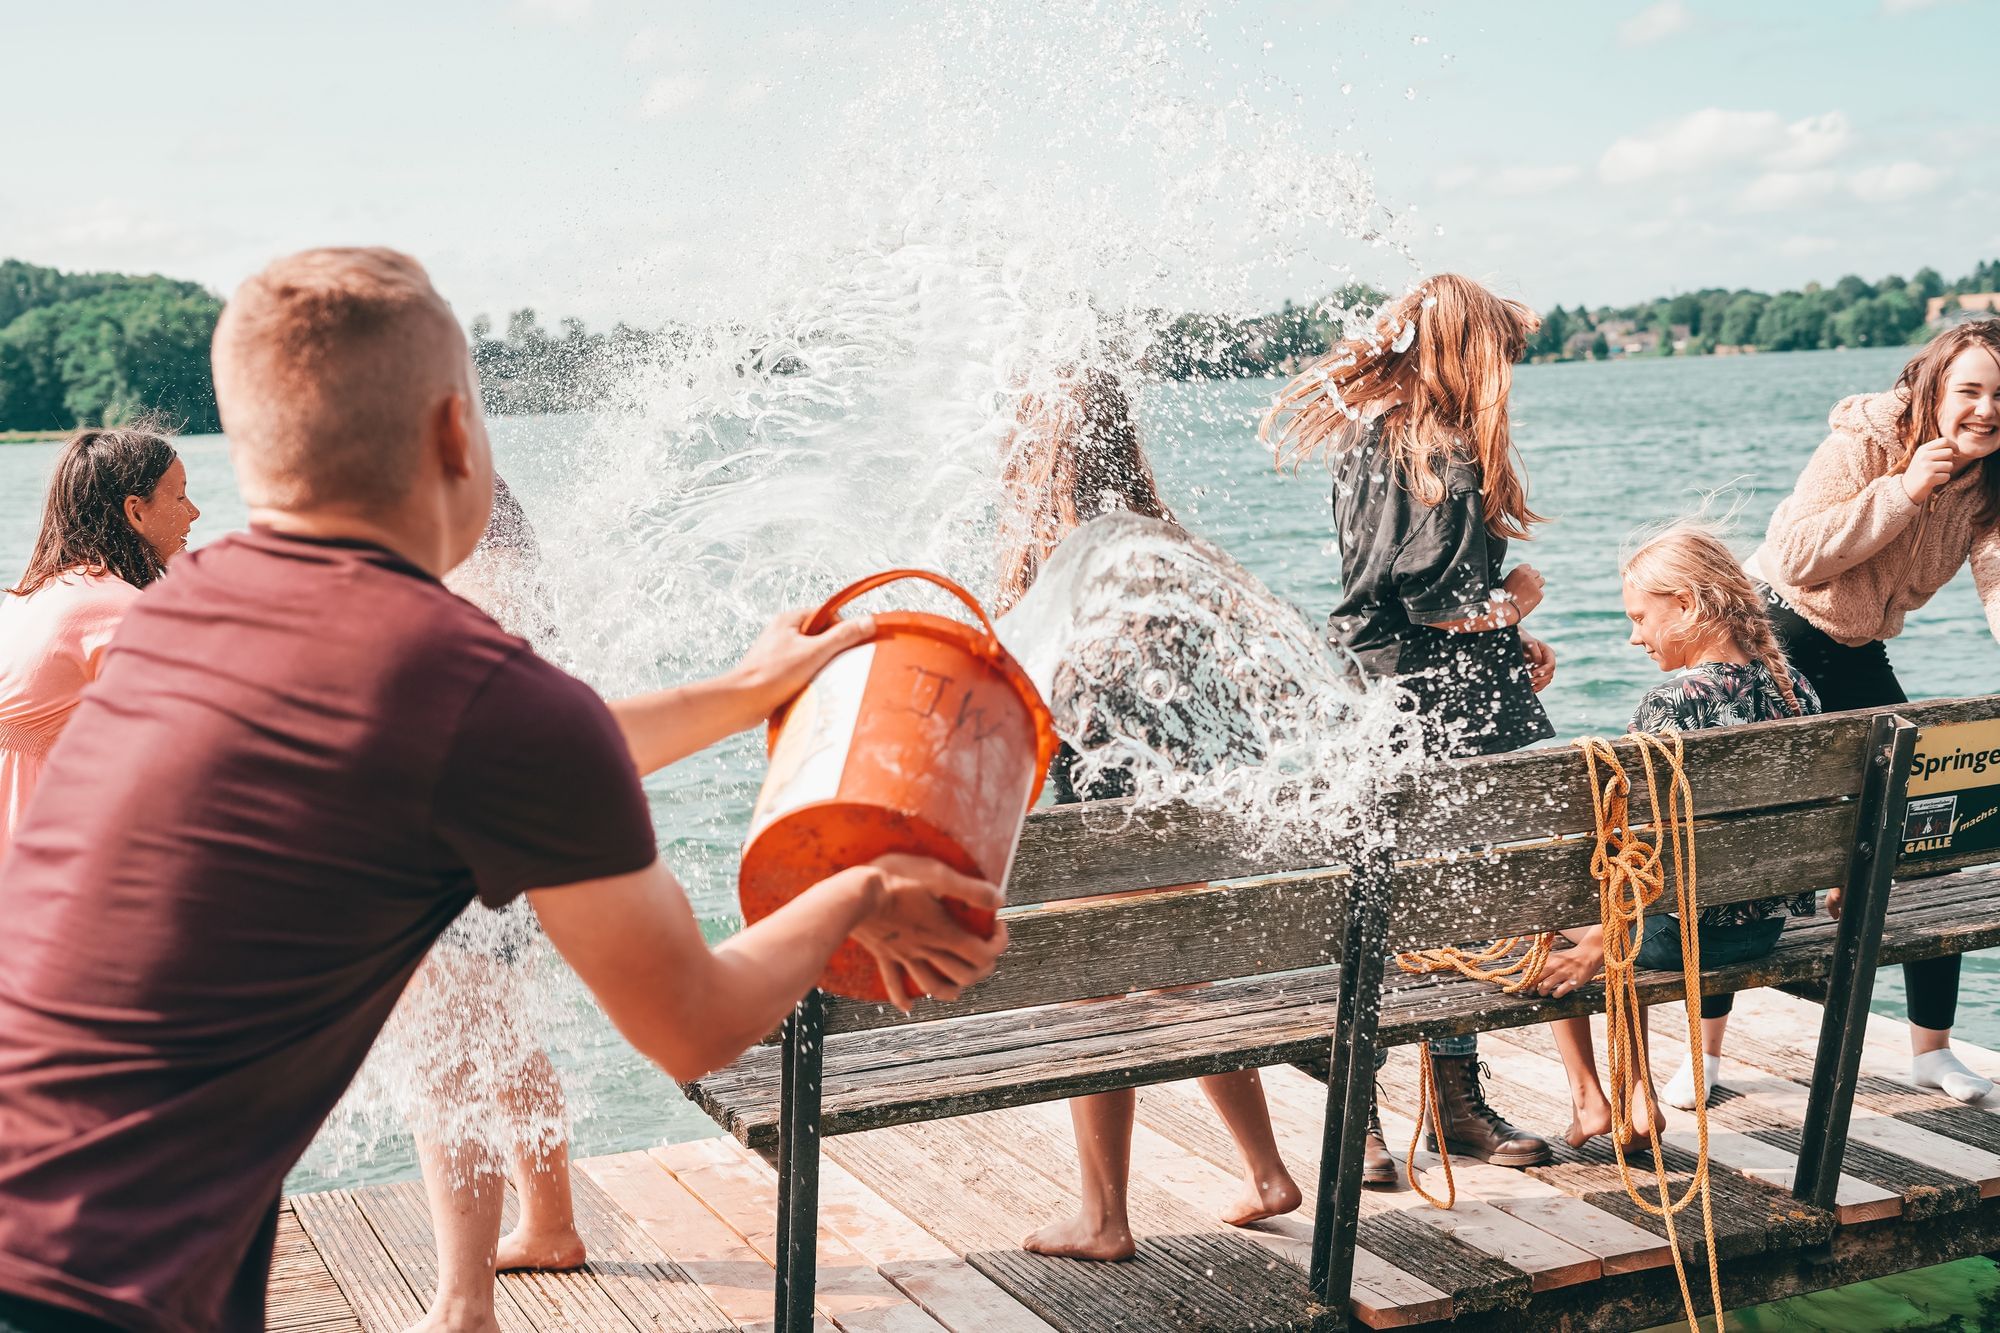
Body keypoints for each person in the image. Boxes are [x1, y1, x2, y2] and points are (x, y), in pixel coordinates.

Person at [0, 247, 1005, 1333]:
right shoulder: (470, 685)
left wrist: (741, 690)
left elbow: (509, 749)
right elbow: (695, 1022)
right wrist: (855, 893)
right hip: (107, 1288)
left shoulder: (177, 612)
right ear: (453, 433)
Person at [999, 368, 1302, 1261]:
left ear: (1035, 452)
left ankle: (1102, 1217)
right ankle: (1265, 1169)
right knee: (1178, 982)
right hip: (1187, 812)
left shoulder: (1054, 555)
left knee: (1094, 996)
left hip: (1099, 827)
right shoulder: (1167, 542)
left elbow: (1013, 710)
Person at [1264, 273, 1557, 1182]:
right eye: (1502, 354)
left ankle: (1436, 1107)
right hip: (1428, 721)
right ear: (1469, 354)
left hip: (1428, 707)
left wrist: (1511, 632)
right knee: (1416, 914)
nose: (1508, 373)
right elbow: (1398, 609)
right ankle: (1388, 1116)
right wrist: (1508, 606)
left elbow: (1412, 596)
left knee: (1435, 909)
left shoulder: (1407, 440)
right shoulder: (1417, 449)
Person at [1751, 320, 2000, 1106]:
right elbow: (1794, 556)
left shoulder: (1992, 479)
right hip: (1777, 632)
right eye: (1970, 389)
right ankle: (1711, 1052)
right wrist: (1903, 491)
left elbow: (1998, 582)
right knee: (1763, 851)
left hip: (1858, 649)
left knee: (1932, 829)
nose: (1987, 409)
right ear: (1932, 388)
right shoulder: (1867, 441)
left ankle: (1931, 1050)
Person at [1531, 522, 1819, 1140]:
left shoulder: (1672, 702)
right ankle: (1634, 1101)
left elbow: (1642, 851)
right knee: (1611, 918)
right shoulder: (1796, 690)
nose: (1634, 637)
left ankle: (1600, 1097)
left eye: (1639, 617)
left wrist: (1595, 946)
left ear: (1686, 605)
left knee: (1546, 918)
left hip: (1683, 939)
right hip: (1763, 931)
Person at [1, 424, 199, 868]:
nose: (195, 513)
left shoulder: (37, 590)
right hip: (33, 842)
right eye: (181, 496)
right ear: (136, 512)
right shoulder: (111, 609)